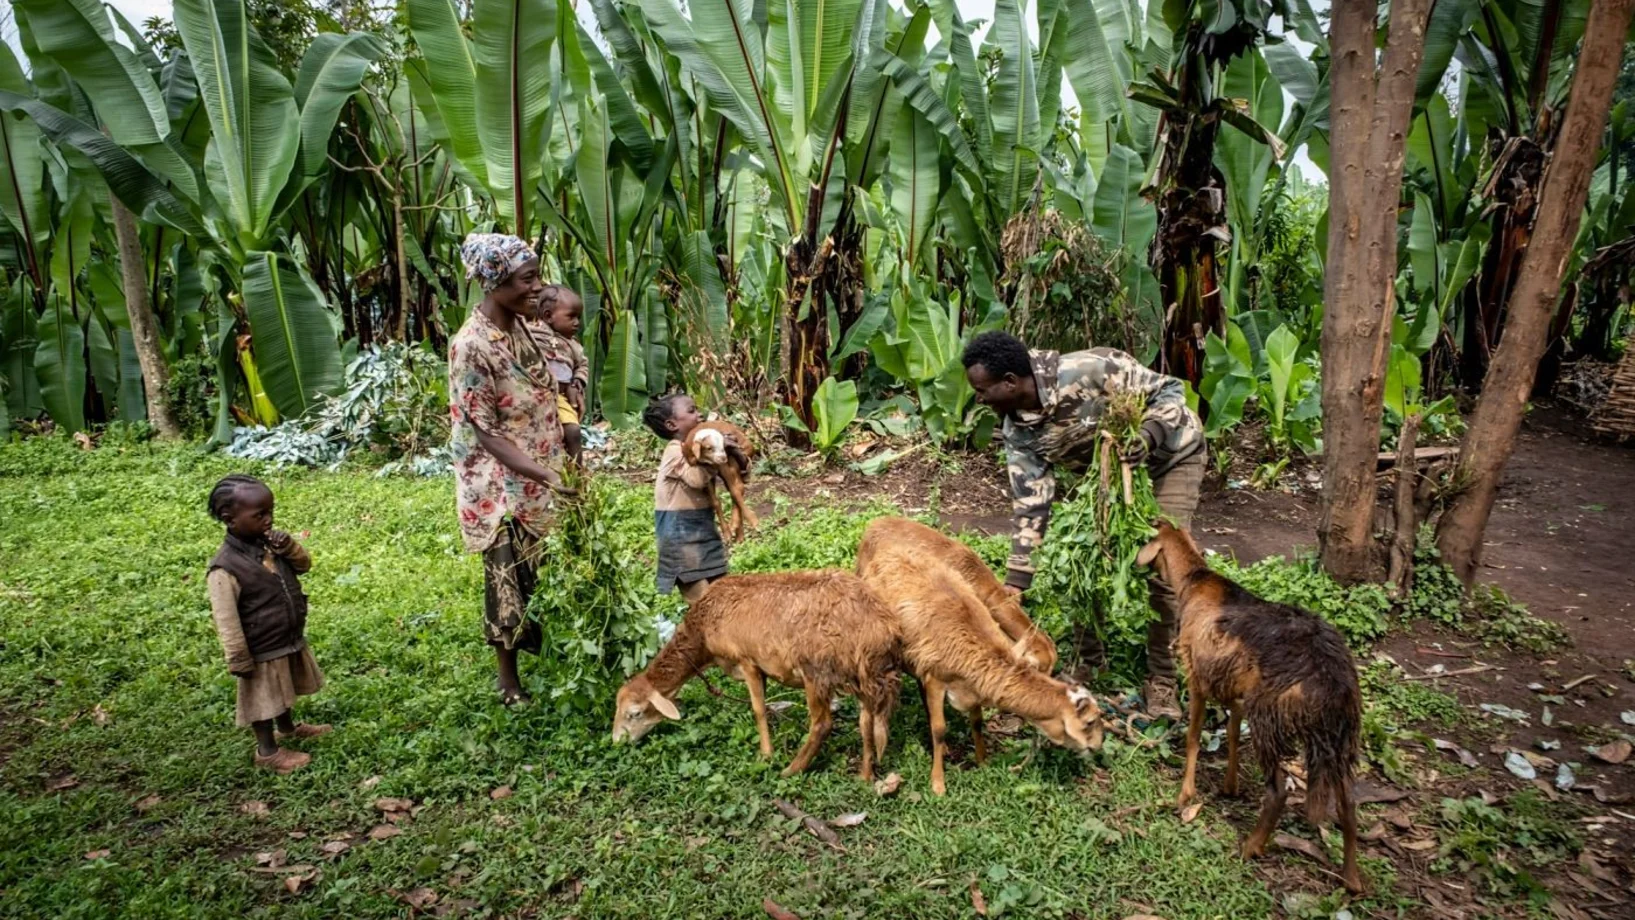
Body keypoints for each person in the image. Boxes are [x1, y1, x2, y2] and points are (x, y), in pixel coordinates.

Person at [961, 330, 1206, 719]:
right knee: (1080, 558)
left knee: (1163, 569)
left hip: (1170, 458)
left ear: (1010, 382)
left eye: (982, 390)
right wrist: (1015, 583)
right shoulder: (1017, 428)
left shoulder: (1091, 369)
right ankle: (1090, 660)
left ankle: (1161, 677)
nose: (978, 398)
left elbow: (1171, 391)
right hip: (1104, 475)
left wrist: (1148, 435)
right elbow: (1031, 503)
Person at [448, 233, 570, 706]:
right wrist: (548, 476)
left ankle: (551, 653)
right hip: (499, 485)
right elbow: (486, 433)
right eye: (528, 278)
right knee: (507, 580)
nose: (538, 287)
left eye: (537, 275)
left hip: (537, 470)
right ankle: (509, 681)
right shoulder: (471, 346)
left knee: (543, 572)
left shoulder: (519, 327)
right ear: (495, 282)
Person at [205, 474, 330, 774]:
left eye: (270, 511)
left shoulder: (271, 546)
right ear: (229, 519)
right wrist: (238, 656)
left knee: (283, 688)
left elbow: (304, 566)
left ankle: (288, 728)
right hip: (258, 646)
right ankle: (267, 751)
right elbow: (226, 618)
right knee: (263, 700)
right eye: (259, 515)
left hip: (283, 636)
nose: (269, 520)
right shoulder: (224, 568)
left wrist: (290, 548)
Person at [642, 393, 742, 605]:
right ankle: (698, 638)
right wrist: (715, 450)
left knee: (722, 599)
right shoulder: (674, 450)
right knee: (703, 606)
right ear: (672, 425)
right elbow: (695, 480)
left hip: (702, 532)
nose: (699, 415)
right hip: (680, 538)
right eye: (691, 411)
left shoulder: (702, 449)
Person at [528, 284, 589, 465]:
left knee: (572, 431)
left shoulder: (573, 345)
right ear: (547, 316)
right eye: (571, 317)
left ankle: (577, 474)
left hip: (561, 396)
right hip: (535, 394)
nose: (577, 322)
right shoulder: (532, 334)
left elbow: (582, 365)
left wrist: (576, 383)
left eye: (578, 317)